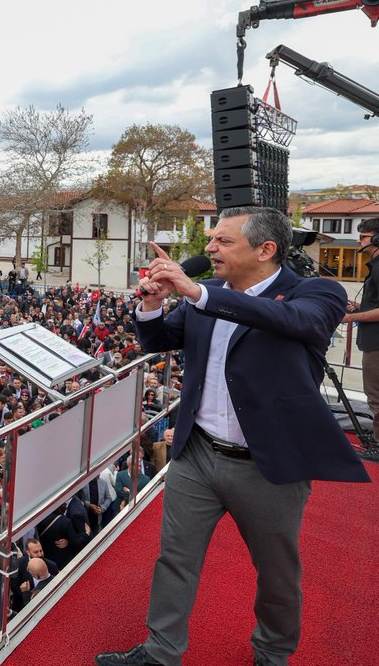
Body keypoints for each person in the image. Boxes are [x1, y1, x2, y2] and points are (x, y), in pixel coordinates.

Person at [97, 208, 369, 666]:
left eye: (222, 241)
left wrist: (199, 293)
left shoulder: (318, 291)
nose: (209, 249)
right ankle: (161, 652)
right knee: (174, 559)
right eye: (211, 240)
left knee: (276, 572)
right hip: (197, 453)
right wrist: (151, 303)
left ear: (266, 250)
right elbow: (160, 338)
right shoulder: (212, 293)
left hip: (269, 465)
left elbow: (293, 322)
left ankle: (272, 653)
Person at [344, 217, 379, 434]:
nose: (359, 242)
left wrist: (347, 318)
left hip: (376, 345)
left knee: (376, 399)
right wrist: (359, 307)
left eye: (363, 237)